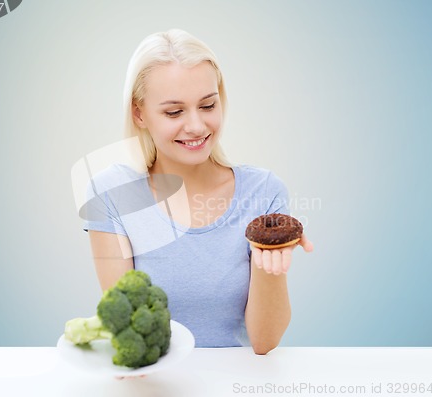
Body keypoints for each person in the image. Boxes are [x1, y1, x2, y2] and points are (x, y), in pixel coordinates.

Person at [84, 29, 313, 354]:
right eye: (174, 112)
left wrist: (270, 260)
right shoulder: (112, 193)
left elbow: (264, 342)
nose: (196, 126)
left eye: (207, 105)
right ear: (139, 113)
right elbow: (128, 330)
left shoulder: (264, 192)